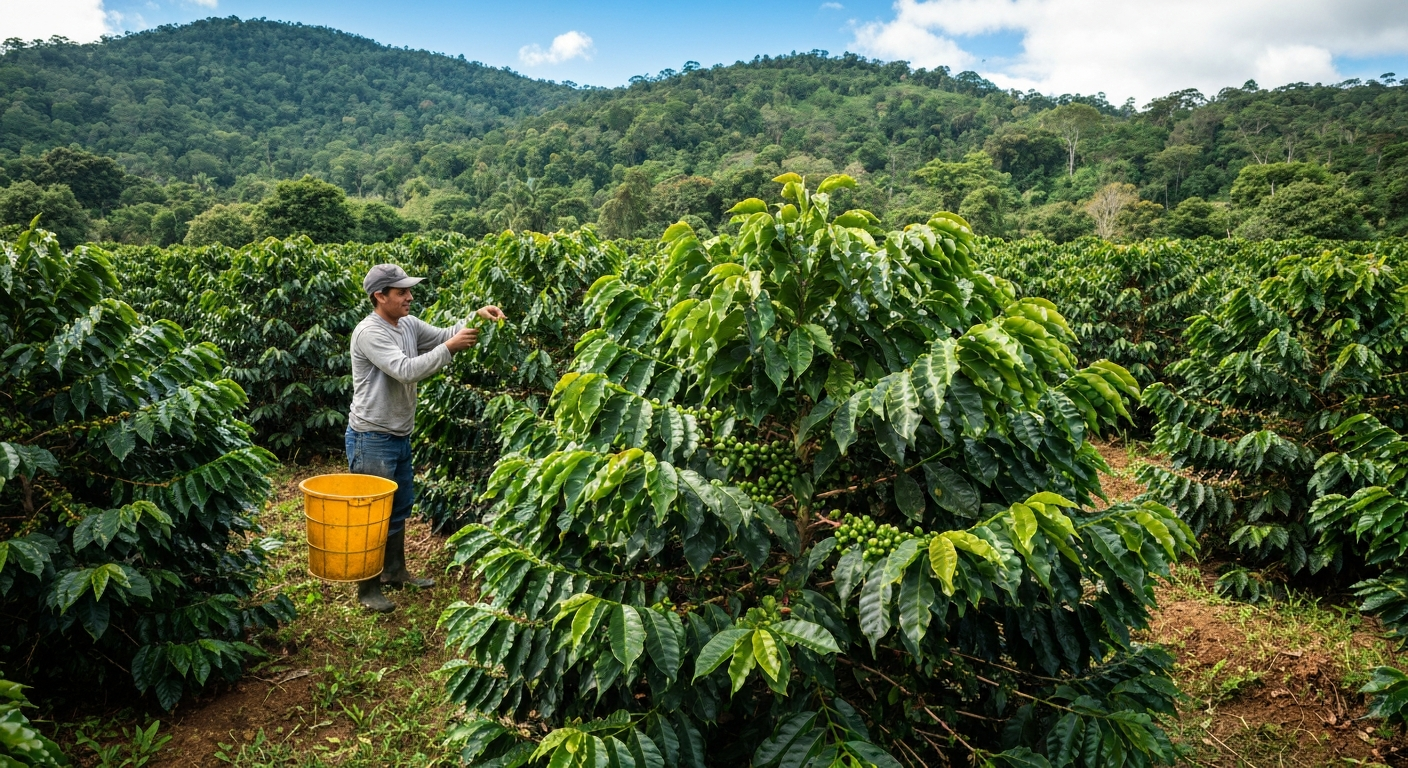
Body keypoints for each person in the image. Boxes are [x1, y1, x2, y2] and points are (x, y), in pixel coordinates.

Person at [347, 263, 506, 612]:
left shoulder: (407, 324)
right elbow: (405, 369)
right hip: (371, 435)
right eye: (402, 292)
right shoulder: (369, 332)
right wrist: (450, 348)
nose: (409, 297)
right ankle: (367, 589)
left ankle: (394, 571)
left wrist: (474, 317)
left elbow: (442, 333)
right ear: (380, 296)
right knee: (373, 513)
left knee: (399, 508)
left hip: (399, 433)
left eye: (408, 290)